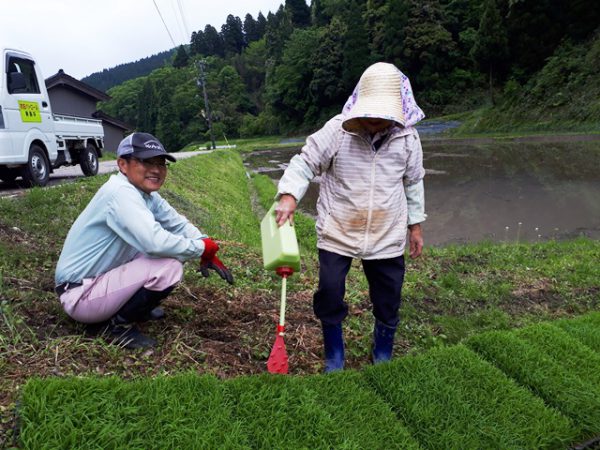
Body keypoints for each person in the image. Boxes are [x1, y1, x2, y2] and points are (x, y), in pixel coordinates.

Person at [275, 62, 426, 371]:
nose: (374, 119)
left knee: (388, 297)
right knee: (330, 292)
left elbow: (413, 182)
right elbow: (305, 162)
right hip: (338, 228)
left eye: (382, 114)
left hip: (387, 232)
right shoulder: (338, 131)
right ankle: (334, 354)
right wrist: (289, 196)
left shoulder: (408, 139)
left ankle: (383, 351)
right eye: (370, 111)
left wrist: (416, 226)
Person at [55, 132, 233, 349]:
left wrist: (205, 243)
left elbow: (177, 223)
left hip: (97, 281)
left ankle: (131, 307)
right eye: (146, 162)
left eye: (161, 163)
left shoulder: (143, 193)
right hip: (81, 295)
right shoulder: (120, 193)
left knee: (171, 251)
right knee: (169, 265)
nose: (156, 169)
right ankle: (116, 326)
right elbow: (155, 243)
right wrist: (200, 249)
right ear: (122, 164)